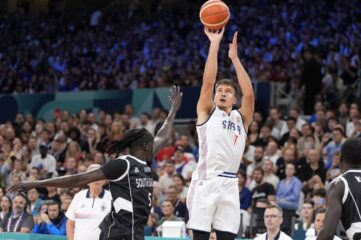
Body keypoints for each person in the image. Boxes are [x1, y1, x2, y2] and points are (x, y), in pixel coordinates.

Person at [9, 86, 182, 240]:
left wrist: (173, 110)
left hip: (134, 231)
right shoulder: (123, 164)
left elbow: (163, 136)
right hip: (119, 232)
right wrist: (35, 183)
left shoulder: (145, 159)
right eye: (151, 143)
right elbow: (79, 179)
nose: (155, 144)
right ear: (144, 145)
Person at [187, 28, 254, 240]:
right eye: (220, 91)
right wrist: (214, 44)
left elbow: (250, 94)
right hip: (206, 180)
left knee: (227, 237)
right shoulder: (207, 111)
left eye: (228, 92)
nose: (222, 93)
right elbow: (207, 83)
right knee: (201, 237)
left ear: (234, 99)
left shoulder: (240, 118)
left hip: (230, 183)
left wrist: (234, 59)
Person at [65, 164, 112, 240]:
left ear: (104, 180)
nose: (96, 179)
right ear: (87, 180)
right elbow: (70, 223)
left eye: (99, 175)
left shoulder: (111, 198)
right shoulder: (78, 196)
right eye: (93, 175)